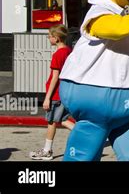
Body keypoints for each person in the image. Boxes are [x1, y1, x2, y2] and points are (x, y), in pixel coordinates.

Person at [30, 24, 75, 160]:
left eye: (49, 36)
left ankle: (47, 151)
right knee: (64, 119)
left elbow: (55, 77)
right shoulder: (69, 51)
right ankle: (88, 135)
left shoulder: (58, 55)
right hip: (65, 91)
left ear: (56, 38)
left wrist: (47, 98)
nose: (48, 38)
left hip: (55, 93)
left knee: (51, 122)